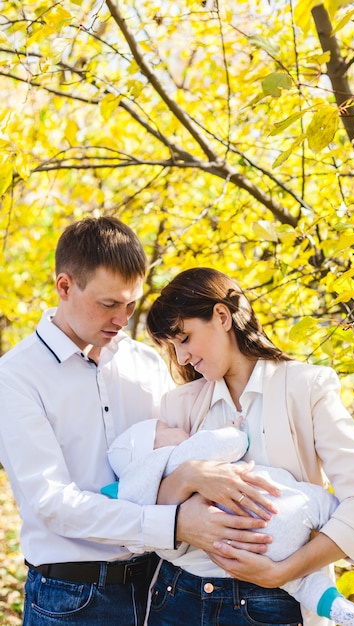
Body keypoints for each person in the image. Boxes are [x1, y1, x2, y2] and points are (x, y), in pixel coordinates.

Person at [0, 219, 277, 626]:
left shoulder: (147, 364)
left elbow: (185, 450)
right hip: (72, 599)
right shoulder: (15, 377)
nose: (122, 319)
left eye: (131, 305)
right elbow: (51, 503)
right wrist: (175, 524)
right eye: (109, 304)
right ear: (64, 287)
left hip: (164, 591)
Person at [144, 266, 354, 626]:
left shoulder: (305, 388)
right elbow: (149, 511)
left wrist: (283, 572)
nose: (182, 358)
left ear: (221, 316)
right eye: (173, 347)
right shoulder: (179, 405)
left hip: (276, 601)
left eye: (184, 338)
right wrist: (188, 477)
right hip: (178, 597)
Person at [102, 419, 354, 626]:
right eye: (163, 426)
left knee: (300, 583)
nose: (173, 424)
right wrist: (230, 430)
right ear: (154, 444)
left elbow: (170, 547)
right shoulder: (179, 455)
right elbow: (235, 442)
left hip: (240, 556)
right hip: (283, 507)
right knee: (322, 508)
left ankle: (338, 607)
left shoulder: (142, 498)